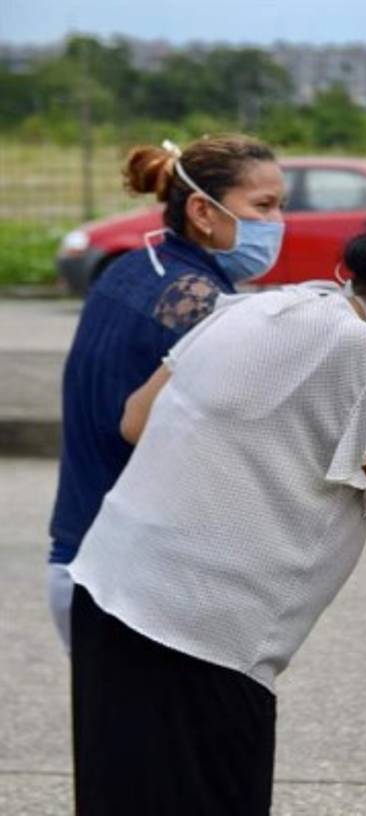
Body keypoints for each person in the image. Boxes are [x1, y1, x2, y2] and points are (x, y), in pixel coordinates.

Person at [66, 228, 366, 814]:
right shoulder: (359, 351)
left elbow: (138, 418)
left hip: (109, 595)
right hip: (196, 642)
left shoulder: (259, 306)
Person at [47, 134, 285, 650]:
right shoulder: (198, 303)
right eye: (263, 206)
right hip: (127, 583)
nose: (277, 223)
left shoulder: (132, 270)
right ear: (203, 210)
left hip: (77, 553)